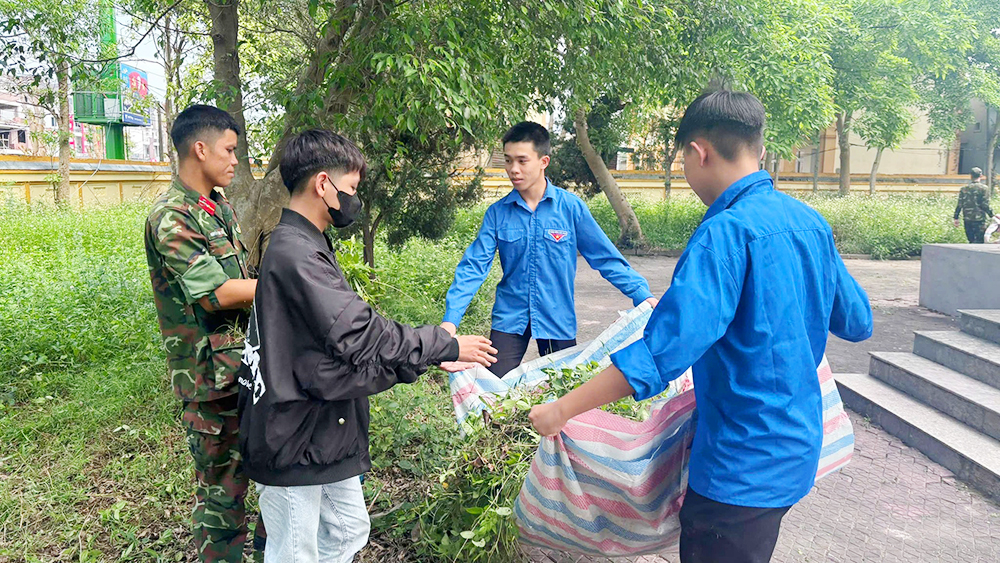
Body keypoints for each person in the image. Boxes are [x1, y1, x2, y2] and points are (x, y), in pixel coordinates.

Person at [528, 90, 873, 563]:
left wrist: (562, 409)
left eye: (683, 159)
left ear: (699, 152)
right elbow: (857, 321)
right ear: (758, 148)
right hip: (796, 452)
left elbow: (660, 356)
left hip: (739, 468)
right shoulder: (809, 223)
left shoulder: (723, 235)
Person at [237, 129, 497, 563]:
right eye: (352, 188)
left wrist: (425, 358)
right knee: (295, 552)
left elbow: (339, 352)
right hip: (292, 435)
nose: (354, 199)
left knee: (347, 532)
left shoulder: (309, 244)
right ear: (323, 184)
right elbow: (359, 334)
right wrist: (443, 345)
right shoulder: (295, 254)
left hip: (318, 429)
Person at [144, 104, 266, 561]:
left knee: (271, 476)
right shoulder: (172, 217)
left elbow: (242, 278)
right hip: (209, 382)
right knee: (222, 498)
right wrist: (290, 284)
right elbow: (216, 294)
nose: (235, 160)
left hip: (245, 369)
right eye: (228, 150)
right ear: (200, 149)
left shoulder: (217, 207)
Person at [440, 121, 656, 376]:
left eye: (522, 161)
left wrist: (641, 294)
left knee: (563, 389)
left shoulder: (570, 208)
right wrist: (450, 320)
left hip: (556, 316)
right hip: (510, 317)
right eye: (508, 160)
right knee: (492, 388)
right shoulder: (498, 213)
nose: (513, 169)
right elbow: (474, 267)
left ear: (543, 161)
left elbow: (606, 259)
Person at [953, 167, 994, 243]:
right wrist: (992, 215)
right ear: (981, 176)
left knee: (971, 241)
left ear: (971, 176)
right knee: (980, 241)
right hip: (979, 219)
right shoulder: (984, 188)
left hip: (967, 219)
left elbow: (959, 204)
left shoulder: (964, 189)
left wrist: (956, 217)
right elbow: (985, 205)